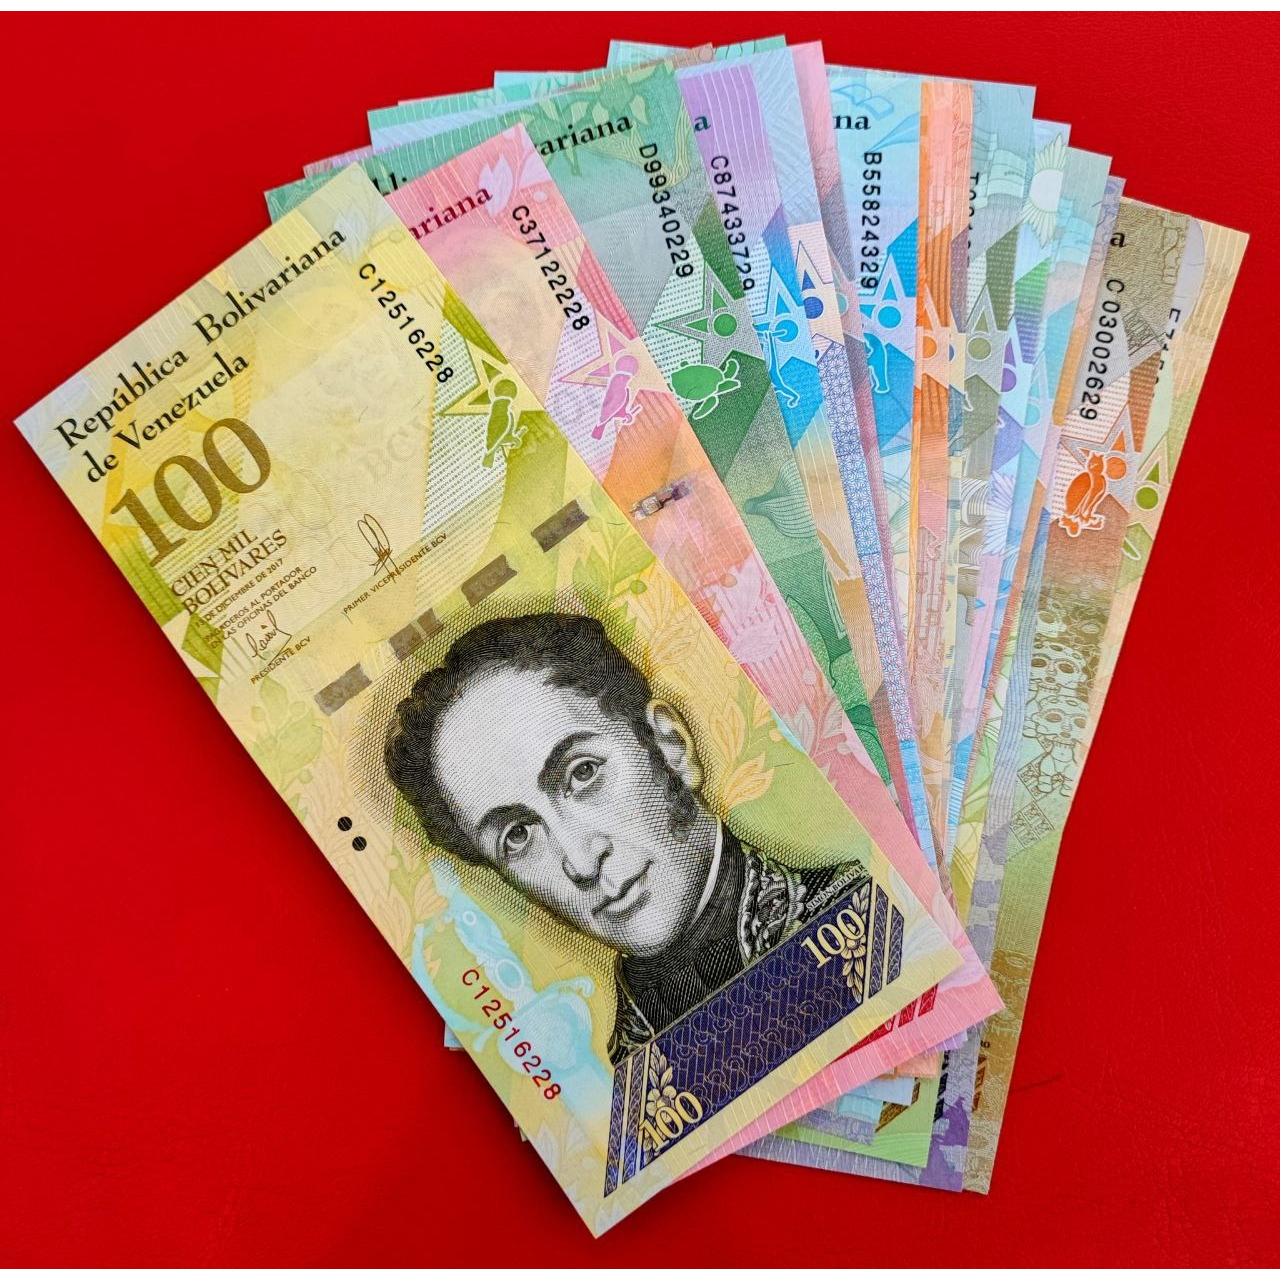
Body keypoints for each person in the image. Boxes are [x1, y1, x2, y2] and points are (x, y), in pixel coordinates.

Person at [385, 612, 859, 1064]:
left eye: (582, 773)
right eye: (518, 835)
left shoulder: (860, 914)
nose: (581, 861)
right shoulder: (624, 1076)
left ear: (669, 745)